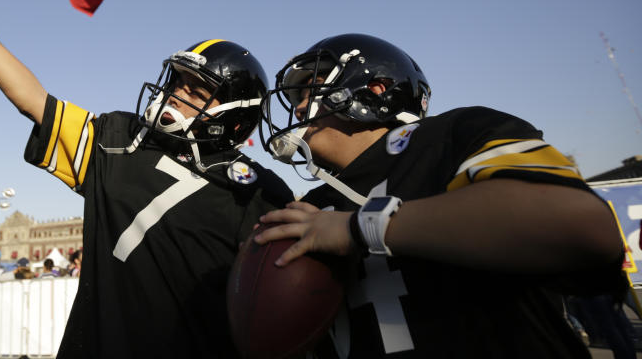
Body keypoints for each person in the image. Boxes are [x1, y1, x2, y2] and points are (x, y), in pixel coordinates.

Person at [0, 0, 292, 358]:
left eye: (196, 92)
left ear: (234, 117)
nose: (175, 95)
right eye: (177, 83)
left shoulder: (259, 192)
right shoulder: (122, 138)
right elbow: (34, 101)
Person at [255, 33, 626, 358]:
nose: (300, 106)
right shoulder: (313, 206)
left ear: (375, 90)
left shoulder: (452, 136)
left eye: (312, 87)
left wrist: (360, 227)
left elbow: (579, 225)